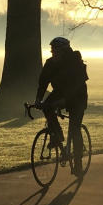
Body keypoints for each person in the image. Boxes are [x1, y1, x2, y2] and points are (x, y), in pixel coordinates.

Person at [35, 36, 88, 175]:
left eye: (55, 50)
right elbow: (43, 82)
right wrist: (38, 99)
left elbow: (77, 85)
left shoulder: (75, 62)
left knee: (75, 128)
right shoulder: (50, 63)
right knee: (47, 106)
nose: (52, 52)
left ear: (63, 51)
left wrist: (65, 100)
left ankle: (78, 164)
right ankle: (57, 134)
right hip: (60, 92)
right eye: (52, 50)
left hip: (78, 96)